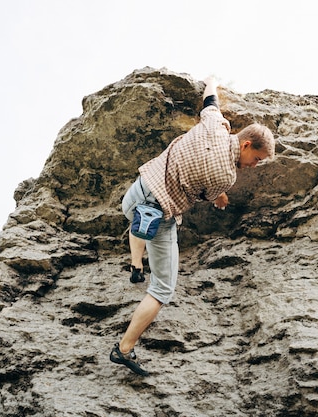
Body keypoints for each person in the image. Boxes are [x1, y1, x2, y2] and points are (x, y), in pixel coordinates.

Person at [110, 76, 275, 376]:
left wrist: (212, 81)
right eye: (257, 158)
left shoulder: (214, 123)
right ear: (247, 144)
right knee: (162, 289)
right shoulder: (227, 176)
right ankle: (123, 349)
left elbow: (210, 99)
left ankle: (136, 263)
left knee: (138, 220)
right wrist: (221, 199)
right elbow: (212, 193)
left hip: (136, 194)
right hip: (158, 213)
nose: (255, 165)